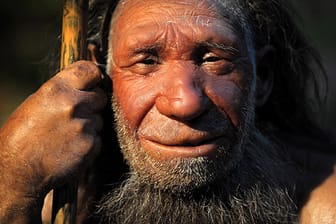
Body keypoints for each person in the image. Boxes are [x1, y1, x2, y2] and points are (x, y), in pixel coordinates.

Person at [0, 0, 335, 223]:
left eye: (212, 58)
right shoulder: (49, 199)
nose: (185, 103)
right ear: (99, 74)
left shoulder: (320, 208)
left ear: (261, 77)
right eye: (147, 61)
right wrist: (14, 180)